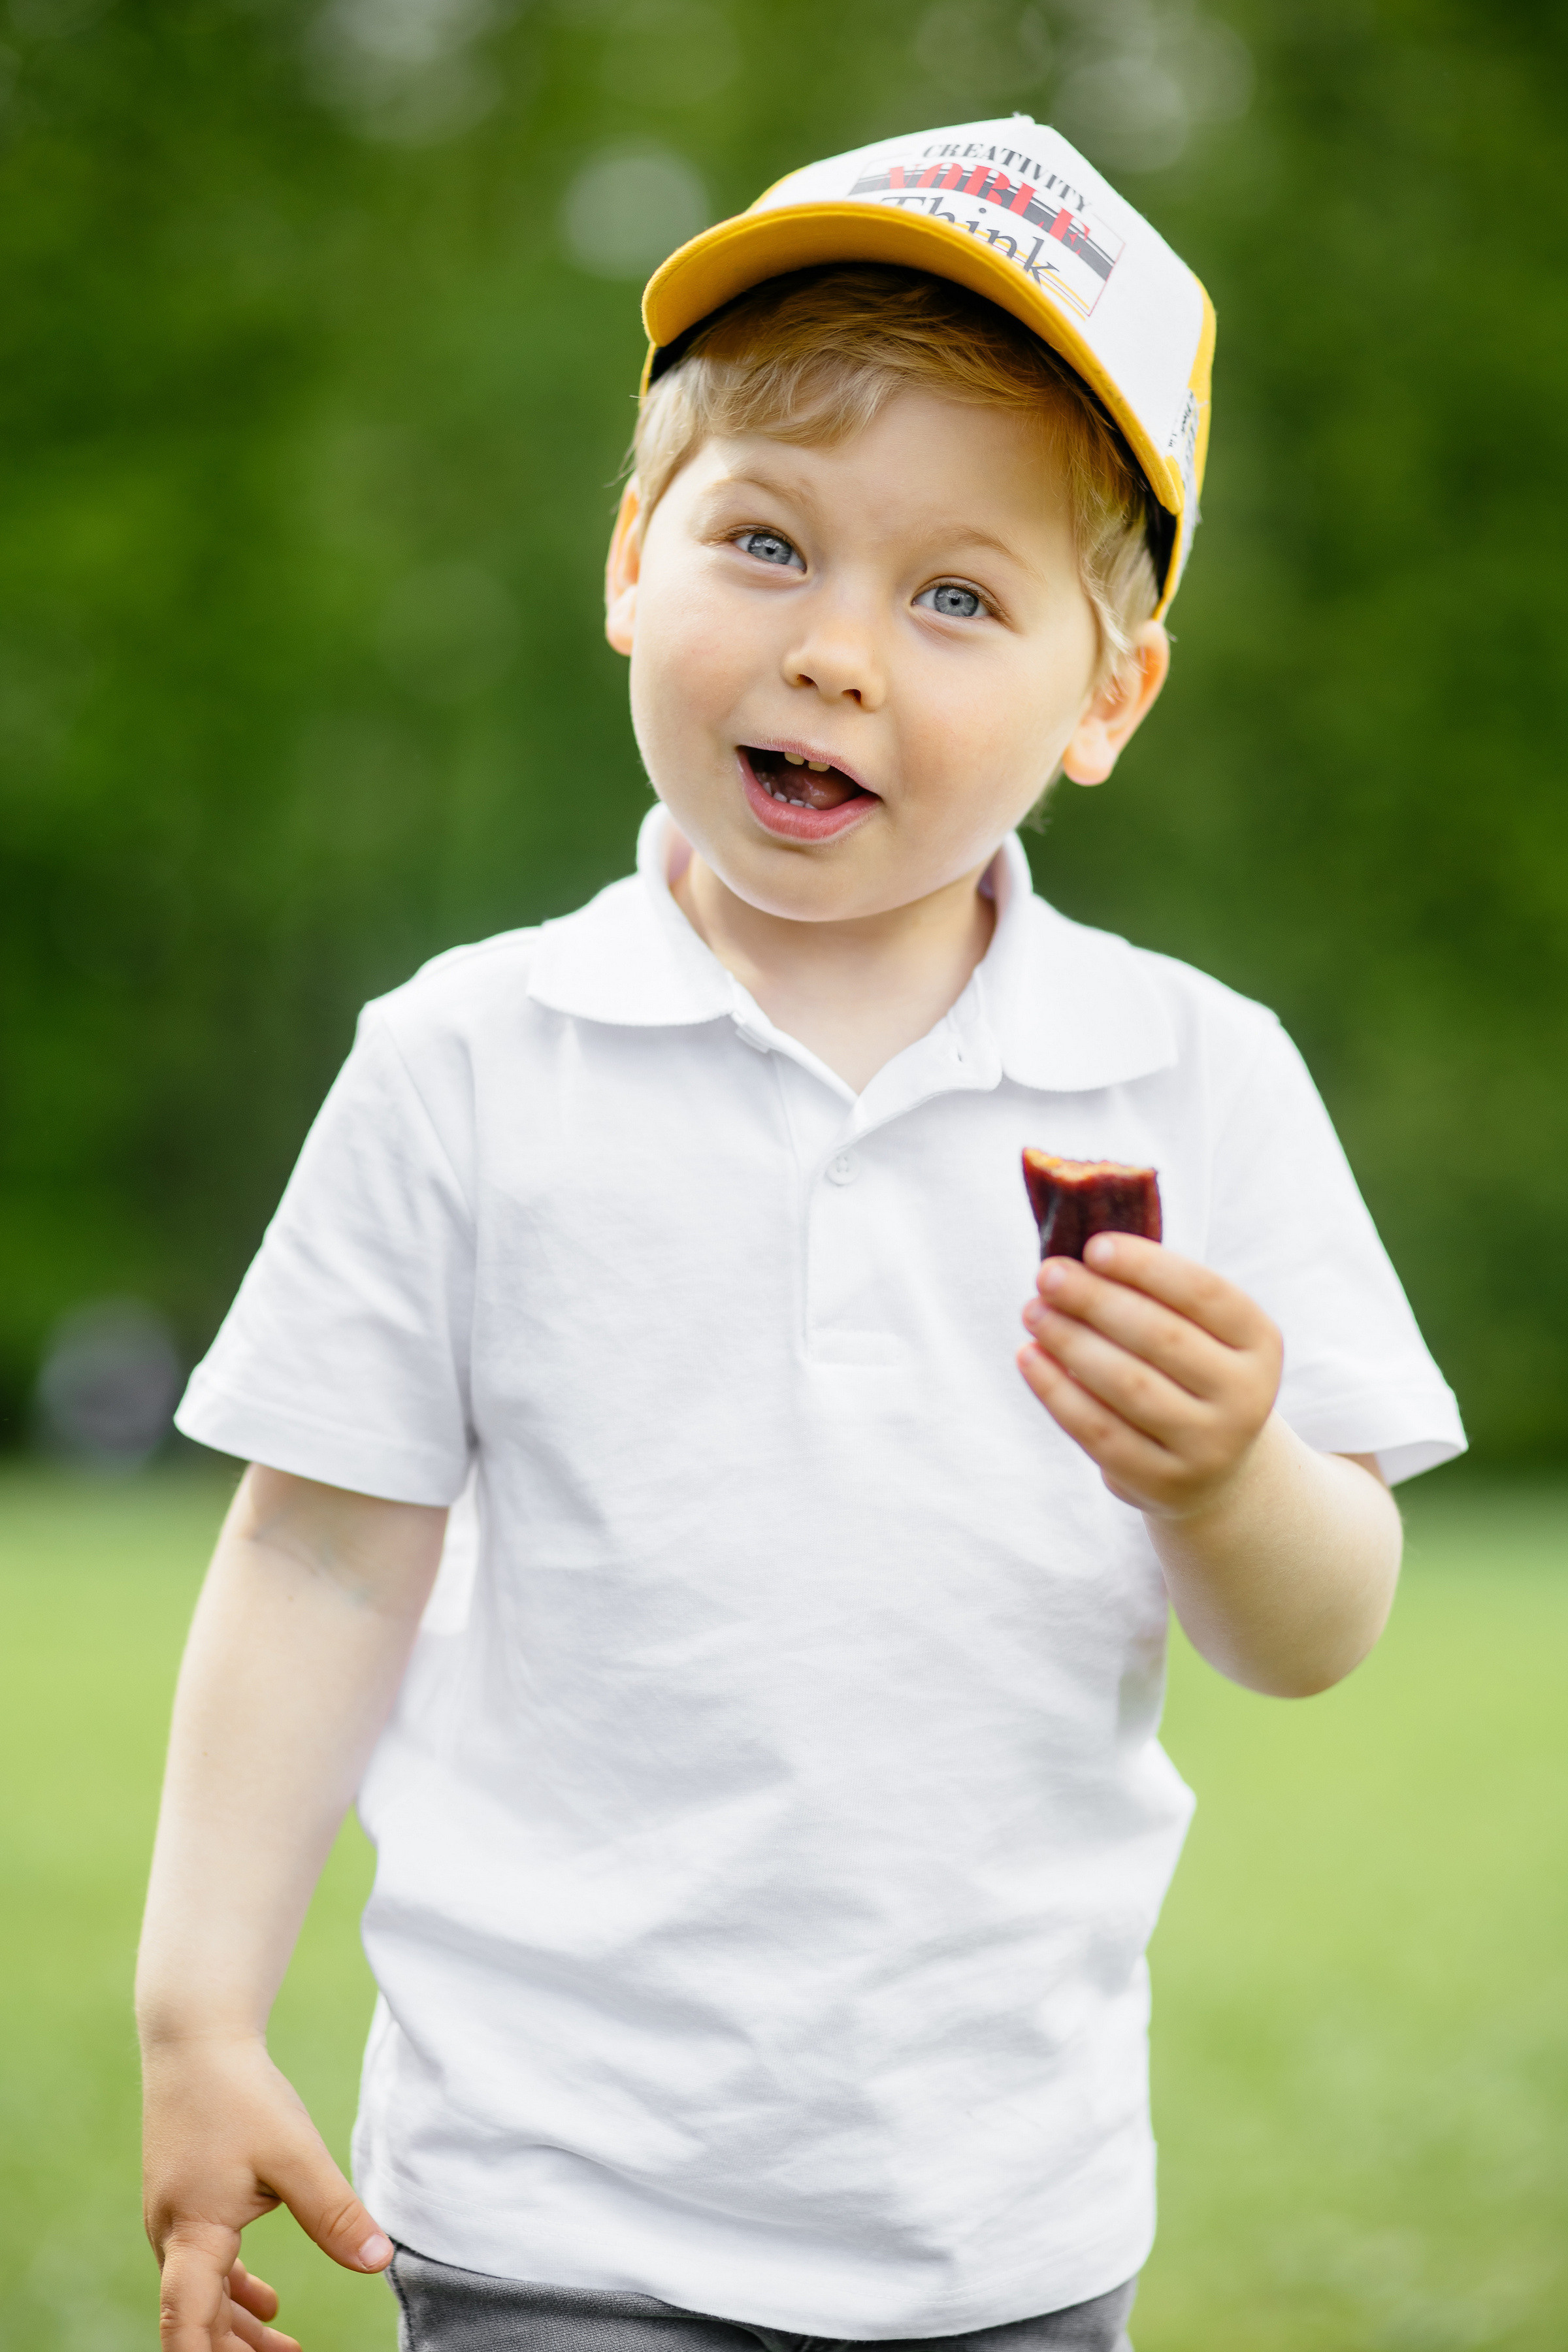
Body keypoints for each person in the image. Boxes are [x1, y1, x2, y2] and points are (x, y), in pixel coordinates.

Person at [137, 116, 1463, 2352]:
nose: (837, 651)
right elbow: (321, 1560)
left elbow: (1316, 1630)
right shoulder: (471, 1059)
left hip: (1000, 2221)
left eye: (957, 597)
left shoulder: (1187, 1075)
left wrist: (1232, 1475)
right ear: (630, 559)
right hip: (552, 2197)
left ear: (1109, 695)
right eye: (766, 542)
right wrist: (198, 2013)